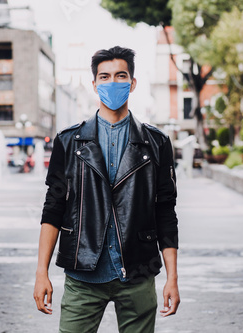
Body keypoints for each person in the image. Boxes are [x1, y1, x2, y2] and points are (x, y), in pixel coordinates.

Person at [33, 46, 180, 333]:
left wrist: (172, 277)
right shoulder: (68, 142)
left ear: (132, 83)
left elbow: (165, 212)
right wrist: (42, 273)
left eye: (120, 76)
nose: (112, 82)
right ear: (94, 84)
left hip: (138, 273)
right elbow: (53, 209)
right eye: (105, 77)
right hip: (83, 273)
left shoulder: (156, 143)